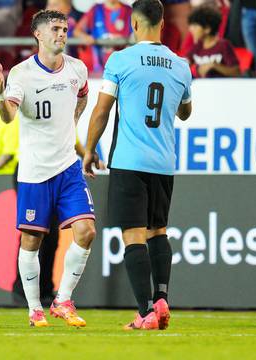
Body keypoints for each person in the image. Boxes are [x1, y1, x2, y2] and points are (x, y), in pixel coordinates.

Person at [83, 0, 192, 330]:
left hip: (129, 161)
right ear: (163, 25)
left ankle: (145, 311)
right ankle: (161, 299)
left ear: (133, 24)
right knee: (158, 231)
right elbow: (185, 112)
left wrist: (89, 149)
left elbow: (102, 110)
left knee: (133, 235)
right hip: (163, 162)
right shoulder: (180, 65)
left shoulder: (120, 60)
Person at [0, 9, 96, 328]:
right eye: (55, 29)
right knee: (31, 242)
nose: (62, 34)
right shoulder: (22, 74)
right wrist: (0, 96)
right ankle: (34, 308)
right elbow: (9, 115)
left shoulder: (77, 69)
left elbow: (82, 96)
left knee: (87, 231)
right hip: (35, 172)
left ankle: (63, 300)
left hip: (68, 168)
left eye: (65, 29)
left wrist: (75, 121)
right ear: (38, 34)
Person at [74, 0, 132, 72]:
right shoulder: (95, 9)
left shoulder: (129, 11)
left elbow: (137, 35)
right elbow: (77, 31)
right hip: (97, 69)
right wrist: (85, 37)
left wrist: (124, 40)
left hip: (122, 68)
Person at [186, 5, 240, 78]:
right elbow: (186, 62)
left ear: (207, 29)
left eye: (195, 26)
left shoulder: (224, 45)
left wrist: (214, 66)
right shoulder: (197, 46)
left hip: (221, 87)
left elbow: (236, 72)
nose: (191, 29)